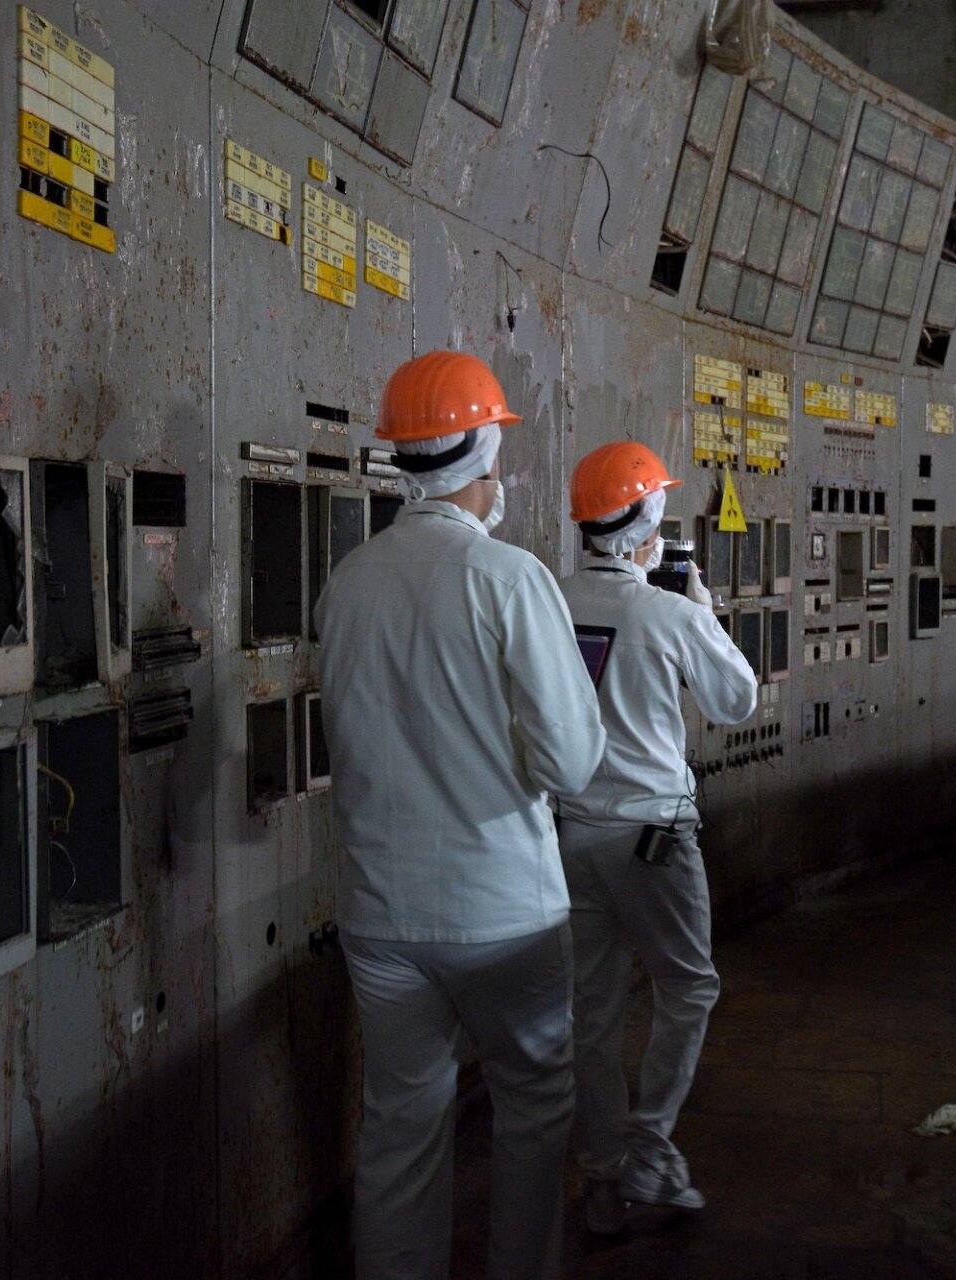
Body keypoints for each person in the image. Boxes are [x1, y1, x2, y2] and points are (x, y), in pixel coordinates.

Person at [314, 350, 606, 1280]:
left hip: (380, 914)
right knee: (532, 1113)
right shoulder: (510, 579)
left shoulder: (347, 582)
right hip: (500, 908)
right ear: (484, 450)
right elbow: (569, 761)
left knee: (401, 1127)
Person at [554, 442, 757, 1233]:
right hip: (654, 839)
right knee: (688, 987)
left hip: (570, 836)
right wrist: (699, 609)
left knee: (592, 1011)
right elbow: (736, 699)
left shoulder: (547, 600)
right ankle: (649, 1148)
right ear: (645, 521)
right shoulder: (669, 612)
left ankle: (603, 1177)